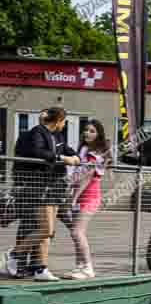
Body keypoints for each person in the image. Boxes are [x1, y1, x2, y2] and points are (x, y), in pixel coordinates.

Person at [6, 107, 80, 281]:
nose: (64, 124)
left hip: (54, 187)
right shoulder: (37, 132)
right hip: (40, 186)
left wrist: (74, 156)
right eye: (63, 121)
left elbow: (68, 150)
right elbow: (39, 152)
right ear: (59, 120)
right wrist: (63, 159)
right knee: (45, 229)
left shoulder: (58, 136)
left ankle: (41, 269)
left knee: (49, 231)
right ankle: (15, 255)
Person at [66, 119, 110, 279]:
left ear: (98, 134)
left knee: (77, 232)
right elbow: (78, 174)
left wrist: (74, 197)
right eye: (86, 130)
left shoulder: (96, 152)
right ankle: (80, 267)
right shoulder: (84, 149)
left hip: (89, 195)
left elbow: (88, 176)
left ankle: (88, 267)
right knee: (76, 232)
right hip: (80, 194)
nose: (87, 133)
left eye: (92, 131)